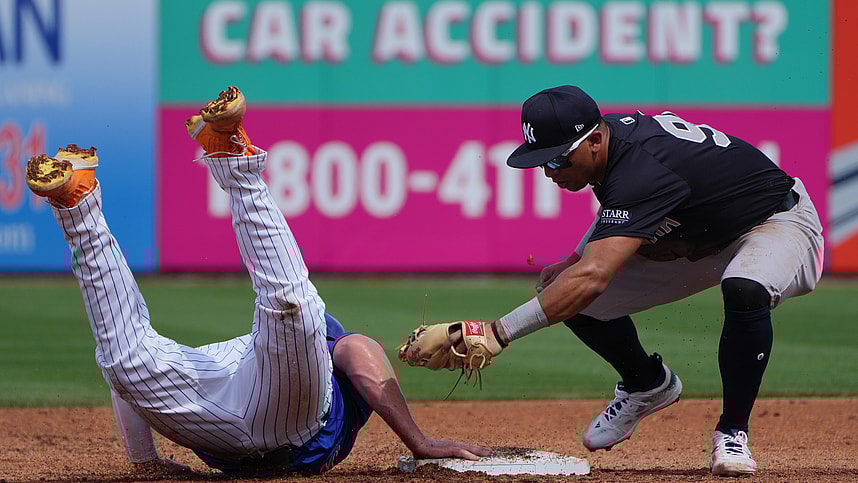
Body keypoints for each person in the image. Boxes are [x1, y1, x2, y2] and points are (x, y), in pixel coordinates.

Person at [25, 86, 491, 478]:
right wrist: (418, 441)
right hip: (239, 401)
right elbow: (356, 349)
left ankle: (80, 211)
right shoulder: (324, 353)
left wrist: (146, 460)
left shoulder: (295, 352)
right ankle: (108, 191)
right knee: (135, 359)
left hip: (242, 400)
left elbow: (129, 387)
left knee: (127, 361)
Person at [426, 85, 824, 476]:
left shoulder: (641, 164)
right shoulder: (613, 146)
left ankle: (733, 431)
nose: (550, 171)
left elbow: (597, 271)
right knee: (563, 290)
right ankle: (646, 385)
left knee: (743, 287)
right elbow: (619, 210)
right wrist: (575, 260)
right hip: (695, 237)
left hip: (775, 220)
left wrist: (497, 333)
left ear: (594, 141)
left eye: (559, 159)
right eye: (542, 161)